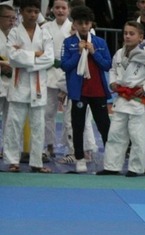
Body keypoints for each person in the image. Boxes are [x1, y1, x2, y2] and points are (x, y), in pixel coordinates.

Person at [96, 21, 145, 177]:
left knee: (137, 136)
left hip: (138, 101)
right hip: (122, 99)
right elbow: (113, 69)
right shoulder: (119, 53)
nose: (127, 36)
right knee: (115, 133)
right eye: (125, 33)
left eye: (132, 33)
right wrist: (113, 82)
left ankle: (136, 168)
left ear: (141, 37)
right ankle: (111, 166)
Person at [3, 0, 54, 173]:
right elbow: (12, 56)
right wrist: (35, 55)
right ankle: (12, 161)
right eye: (29, 11)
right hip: (19, 84)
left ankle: (36, 162)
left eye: (35, 11)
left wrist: (25, 58)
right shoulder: (15, 32)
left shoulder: (45, 33)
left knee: (38, 126)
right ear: (22, 12)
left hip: (38, 84)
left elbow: (49, 59)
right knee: (14, 124)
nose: (32, 15)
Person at [61, 5, 112, 173]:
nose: (83, 26)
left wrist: (94, 52)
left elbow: (107, 65)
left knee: (104, 126)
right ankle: (80, 158)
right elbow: (65, 66)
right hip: (79, 92)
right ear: (74, 24)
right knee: (78, 126)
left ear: (91, 24)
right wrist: (78, 53)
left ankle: (111, 159)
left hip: (98, 91)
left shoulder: (99, 42)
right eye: (80, 23)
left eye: (86, 23)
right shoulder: (69, 43)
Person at [42, 0, 72, 159]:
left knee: (69, 115)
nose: (60, 10)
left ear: (69, 10)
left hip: (68, 74)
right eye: (57, 7)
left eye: (63, 8)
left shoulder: (74, 28)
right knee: (47, 112)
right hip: (49, 73)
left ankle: (71, 148)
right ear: (52, 9)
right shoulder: (45, 27)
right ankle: (49, 145)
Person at [0, 3, 16, 161]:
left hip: (11, 81)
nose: (11, 21)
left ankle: (7, 149)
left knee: (10, 118)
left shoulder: (15, 36)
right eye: (8, 18)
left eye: (14, 18)